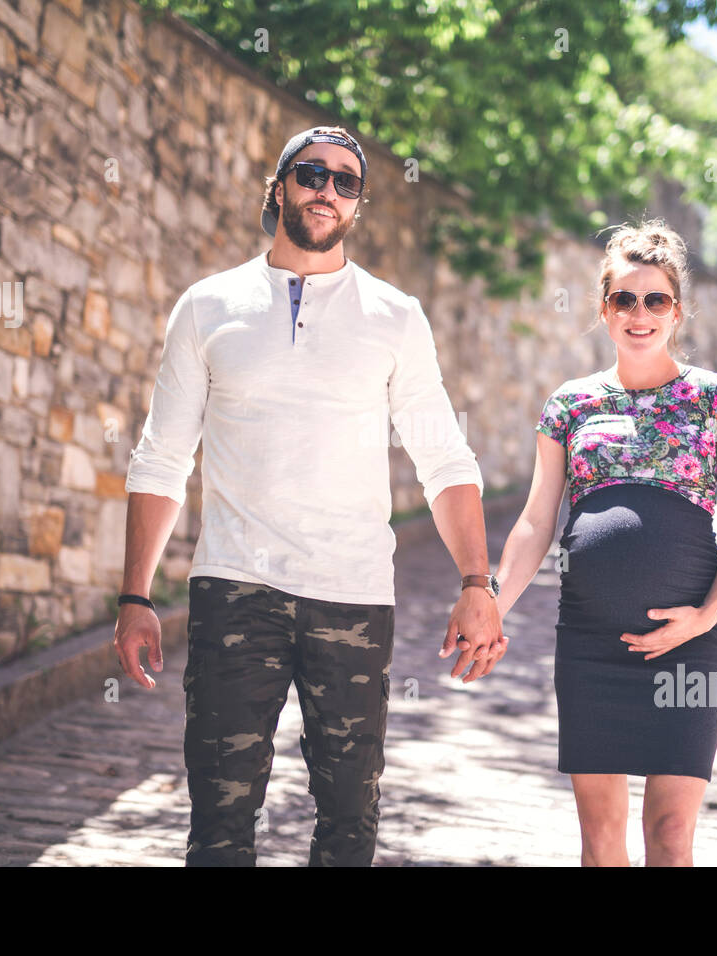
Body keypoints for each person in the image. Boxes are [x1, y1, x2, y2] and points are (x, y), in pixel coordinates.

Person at [113, 125, 507, 867]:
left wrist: (477, 582)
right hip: (235, 592)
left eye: (345, 182)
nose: (327, 190)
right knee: (220, 824)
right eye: (311, 174)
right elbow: (162, 457)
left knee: (349, 821)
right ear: (279, 185)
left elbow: (444, 457)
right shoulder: (207, 306)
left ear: (357, 205)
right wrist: (136, 595)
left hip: (352, 595)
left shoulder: (396, 316)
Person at [493, 218, 717, 866]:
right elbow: (536, 521)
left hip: (689, 649)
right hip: (589, 648)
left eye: (655, 300)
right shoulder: (570, 405)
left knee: (670, 838)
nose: (639, 313)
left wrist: (706, 616)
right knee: (601, 842)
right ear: (603, 308)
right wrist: (491, 605)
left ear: (677, 310)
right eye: (624, 299)